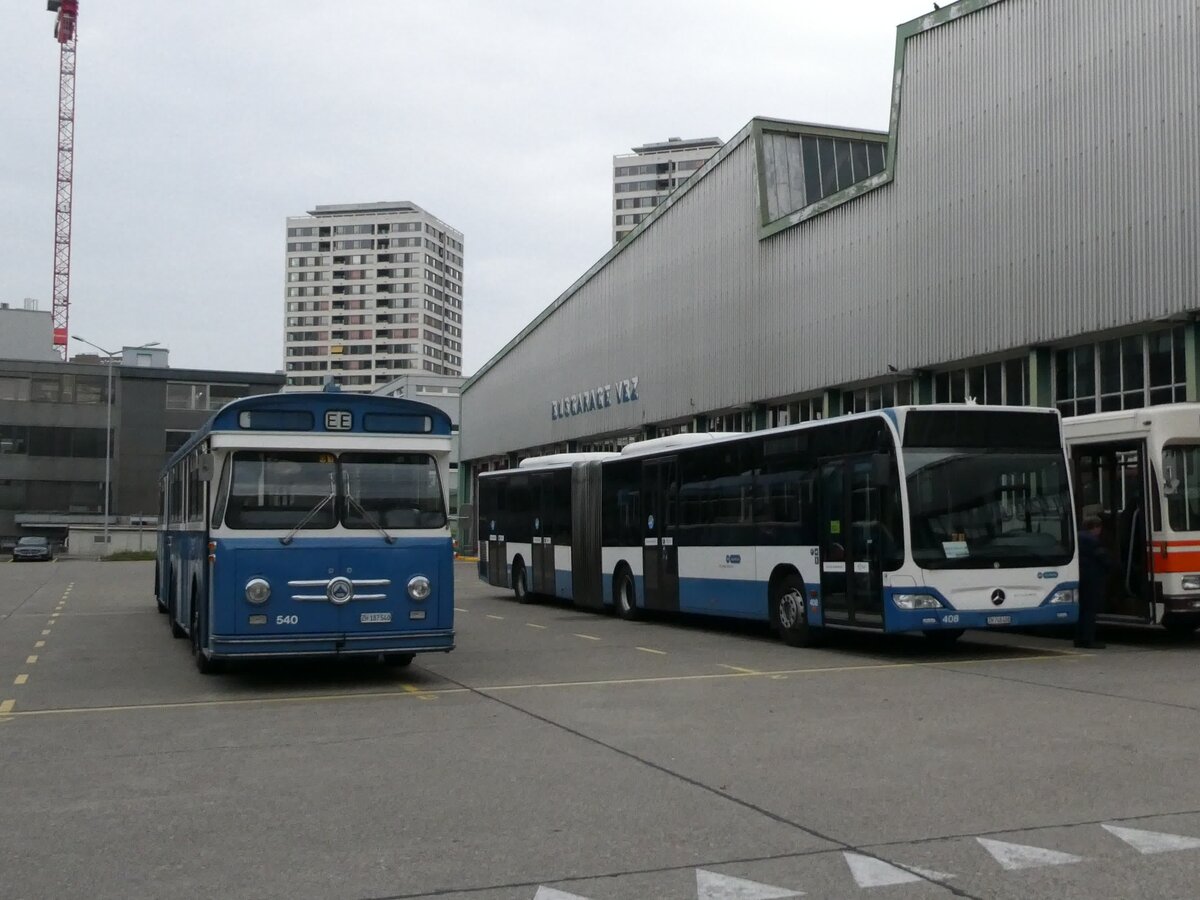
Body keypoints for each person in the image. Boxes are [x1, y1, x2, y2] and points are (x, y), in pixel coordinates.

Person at [1076, 513, 1111, 648]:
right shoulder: (1093, 540)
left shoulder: (1077, 537)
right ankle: (1088, 640)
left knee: (1082, 609)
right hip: (1092, 578)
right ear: (1096, 527)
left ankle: (1079, 638)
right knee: (1090, 610)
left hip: (1080, 577)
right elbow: (1104, 559)